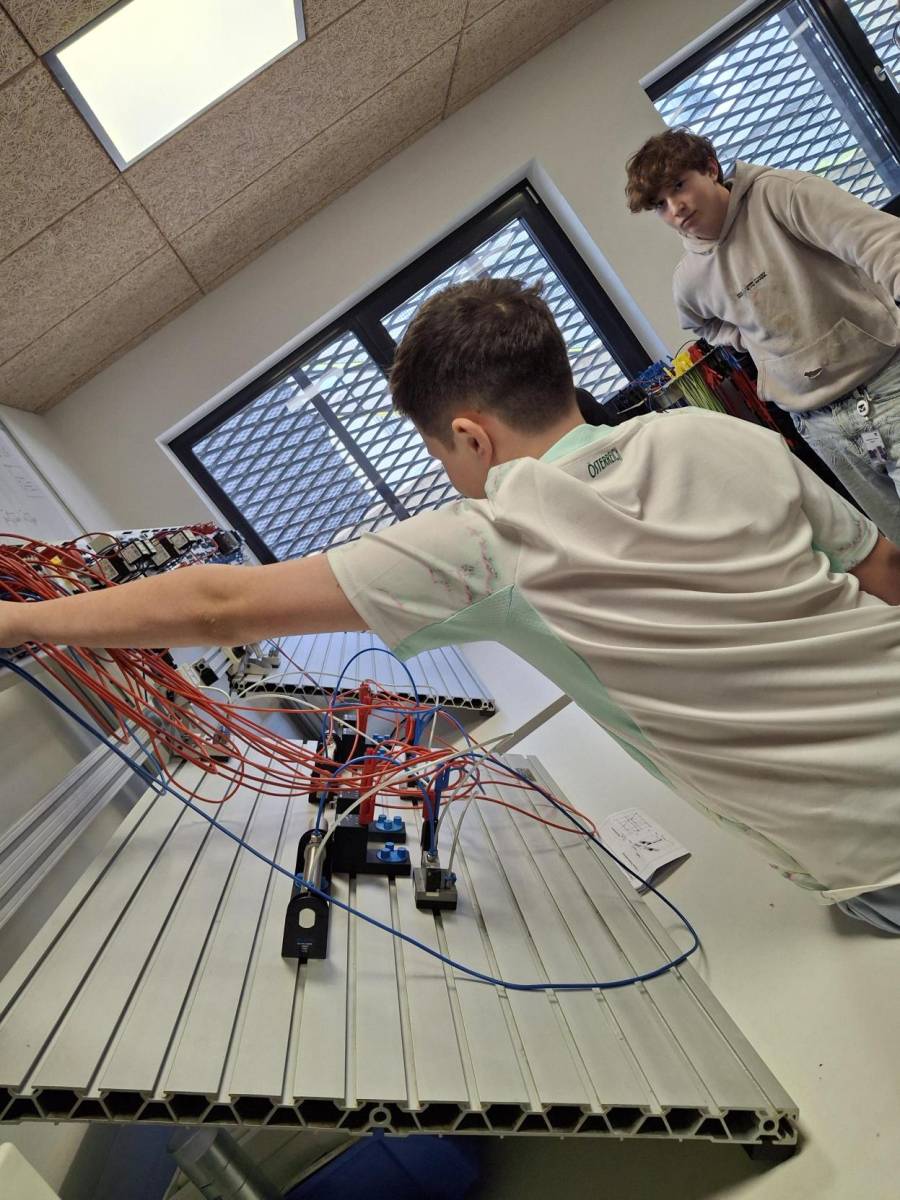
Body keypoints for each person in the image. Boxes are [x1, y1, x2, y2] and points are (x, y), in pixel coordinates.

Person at [3, 279, 900, 932]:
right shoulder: (709, 433)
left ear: (470, 435)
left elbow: (219, 604)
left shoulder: (494, 537)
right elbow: (884, 567)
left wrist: (22, 620)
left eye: (439, 453)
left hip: (877, 851)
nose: (447, 472)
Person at [624, 128, 900, 543]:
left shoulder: (782, 194)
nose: (675, 208)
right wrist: (750, 341)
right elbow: (704, 325)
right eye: (659, 204)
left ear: (710, 168)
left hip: (885, 384)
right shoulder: (689, 281)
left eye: (679, 185)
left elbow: (880, 244)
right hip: (818, 423)